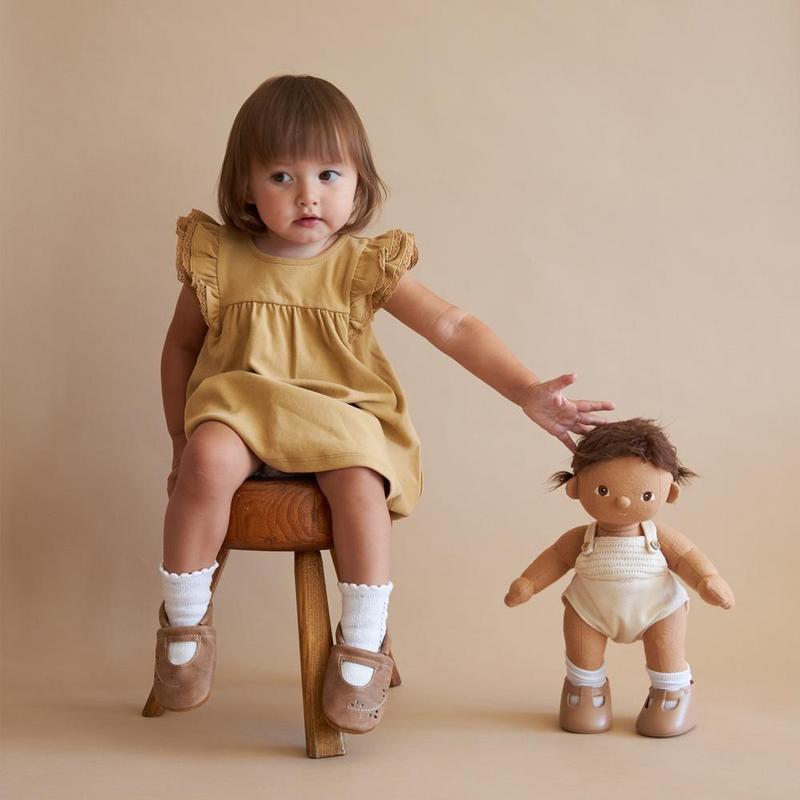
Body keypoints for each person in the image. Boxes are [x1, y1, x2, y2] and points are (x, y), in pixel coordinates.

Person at [153, 73, 615, 734]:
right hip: (241, 410)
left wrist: (523, 390)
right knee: (207, 456)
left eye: (329, 174)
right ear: (245, 186)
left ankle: (363, 639)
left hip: (339, 417)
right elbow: (179, 348)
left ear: (360, 183)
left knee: (360, 482)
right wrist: (178, 435)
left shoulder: (361, 263)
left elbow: (452, 326)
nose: (308, 195)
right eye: (281, 177)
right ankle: (184, 619)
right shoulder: (220, 259)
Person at [504, 418, 735, 737]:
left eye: (644, 495)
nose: (623, 501)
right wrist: (528, 583)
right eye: (603, 490)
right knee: (582, 650)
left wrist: (708, 579)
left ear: (670, 492)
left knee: (666, 653)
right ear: (575, 488)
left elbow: (686, 558)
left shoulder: (659, 537)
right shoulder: (580, 538)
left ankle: (672, 696)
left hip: (658, 611)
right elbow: (556, 558)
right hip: (589, 611)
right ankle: (585, 693)